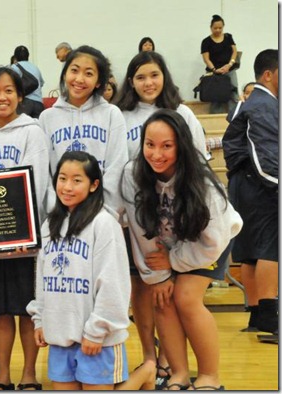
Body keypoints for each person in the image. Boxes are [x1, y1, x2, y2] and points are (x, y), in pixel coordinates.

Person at [122, 109, 243, 391]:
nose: (156, 154)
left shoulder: (200, 180)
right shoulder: (132, 173)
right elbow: (141, 232)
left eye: (167, 146)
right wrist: (158, 276)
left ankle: (210, 377)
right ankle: (178, 375)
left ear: (181, 145)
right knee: (162, 297)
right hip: (164, 248)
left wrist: (174, 261)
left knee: (186, 297)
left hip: (209, 244)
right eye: (150, 145)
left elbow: (213, 240)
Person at [115, 49, 209, 389]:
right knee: (142, 287)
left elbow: (197, 164)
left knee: (169, 293)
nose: (148, 82)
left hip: (175, 219)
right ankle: (149, 357)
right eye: (140, 77)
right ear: (131, 81)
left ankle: (171, 359)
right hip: (136, 221)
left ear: (164, 76)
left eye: (153, 75)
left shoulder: (182, 112)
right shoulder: (120, 115)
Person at [27, 150, 155, 391]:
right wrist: (40, 319)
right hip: (61, 335)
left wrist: (97, 330)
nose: (67, 186)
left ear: (94, 185)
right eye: (62, 178)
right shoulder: (49, 225)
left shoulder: (104, 224)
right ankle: (145, 371)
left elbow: (113, 283)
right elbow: (42, 279)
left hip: (98, 337)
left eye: (77, 180)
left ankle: (146, 372)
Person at [0, 66, 49, 391]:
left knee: (27, 310)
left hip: (24, 242)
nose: (1, 97)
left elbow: (39, 183)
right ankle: (3, 374)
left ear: (19, 95)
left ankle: (28, 373)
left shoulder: (32, 130)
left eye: (8, 91)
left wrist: (25, 231)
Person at [223, 49, 278, 335]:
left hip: (242, 184)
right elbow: (265, 154)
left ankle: (256, 316)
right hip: (260, 183)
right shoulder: (264, 104)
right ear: (268, 75)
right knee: (271, 246)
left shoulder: (247, 103)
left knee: (250, 253)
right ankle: (270, 318)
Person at [38, 45, 128, 218]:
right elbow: (46, 174)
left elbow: (117, 166)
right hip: (60, 216)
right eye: (74, 70)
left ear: (99, 81)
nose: (79, 79)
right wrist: (56, 210)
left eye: (88, 73)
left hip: (101, 215)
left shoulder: (111, 114)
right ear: (65, 74)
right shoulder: (47, 118)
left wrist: (104, 212)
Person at [201, 14, 239, 113]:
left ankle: (234, 117)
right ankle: (215, 118)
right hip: (214, 72)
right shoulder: (206, 41)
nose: (218, 30)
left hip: (229, 70)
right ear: (211, 28)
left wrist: (229, 65)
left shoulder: (228, 37)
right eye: (215, 28)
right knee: (216, 97)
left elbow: (234, 52)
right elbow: (206, 59)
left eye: (220, 28)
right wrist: (214, 70)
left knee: (233, 94)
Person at [11, 45, 45, 118]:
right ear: (28, 56)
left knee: (21, 127)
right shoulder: (35, 67)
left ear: (15, 57)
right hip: (39, 103)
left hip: (24, 103)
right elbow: (41, 83)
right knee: (38, 128)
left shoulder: (15, 67)